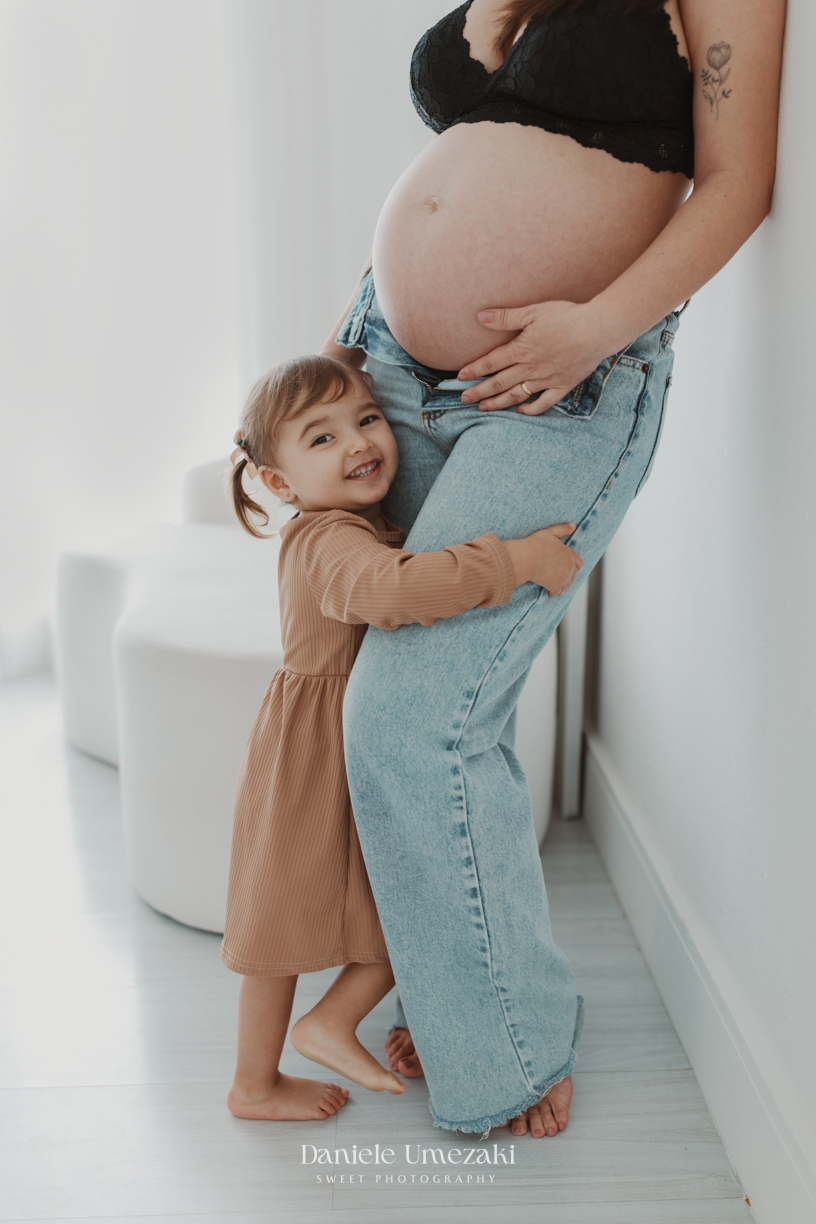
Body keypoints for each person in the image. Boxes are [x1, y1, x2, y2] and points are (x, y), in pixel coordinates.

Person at [322, 0, 785, 1137]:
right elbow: (466, 103)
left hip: (561, 387)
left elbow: (737, 183)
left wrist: (597, 326)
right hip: (389, 360)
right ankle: (459, 993)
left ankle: (508, 1051)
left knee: (410, 715)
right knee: (439, 710)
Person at [219, 353, 583, 1121]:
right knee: (363, 909)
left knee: (355, 912)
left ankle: (299, 1052)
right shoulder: (328, 539)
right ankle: (284, 1058)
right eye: (320, 439)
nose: (358, 442)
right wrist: (511, 561)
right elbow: (392, 593)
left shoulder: (350, 525)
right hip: (320, 754)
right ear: (280, 484)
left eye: (367, 418)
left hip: (323, 746)